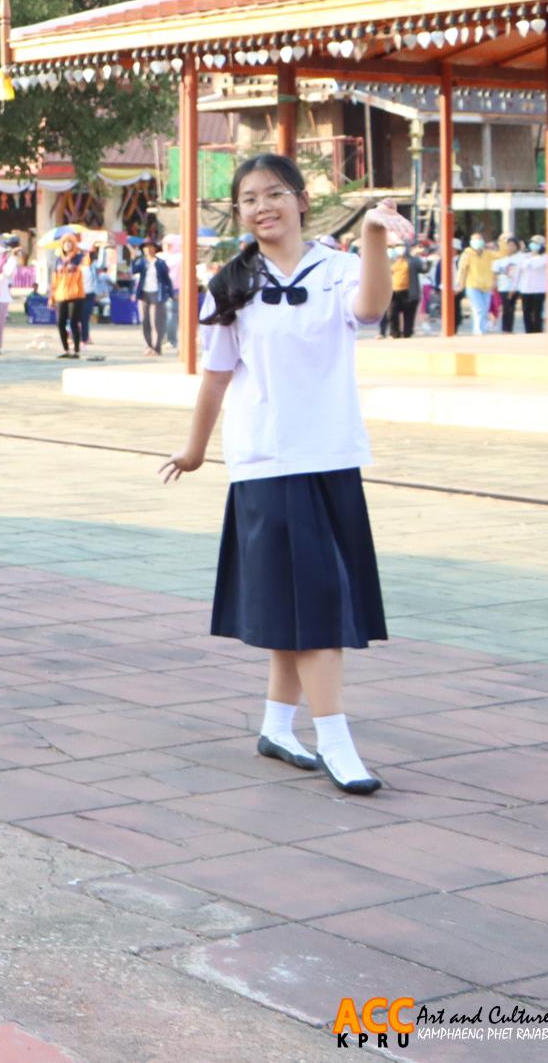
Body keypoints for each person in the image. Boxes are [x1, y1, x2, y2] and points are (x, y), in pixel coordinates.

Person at [161, 157, 398, 796]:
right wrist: (194, 450)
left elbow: (373, 309)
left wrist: (373, 236)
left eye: (273, 194)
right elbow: (214, 375)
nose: (262, 206)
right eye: (248, 199)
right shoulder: (231, 283)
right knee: (317, 604)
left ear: (299, 200)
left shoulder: (340, 267)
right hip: (267, 462)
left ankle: (276, 726)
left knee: (307, 601)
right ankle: (337, 743)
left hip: (331, 456)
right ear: (239, 214)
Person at [130, 239, 177, 356]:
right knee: (145, 321)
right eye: (146, 248)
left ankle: (157, 347)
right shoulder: (142, 262)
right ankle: (149, 346)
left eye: (151, 247)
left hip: (158, 293)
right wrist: (133, 258)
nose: (149, 250)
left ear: (155, 249)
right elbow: (133, 270)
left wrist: (171, 294)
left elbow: (167, 280)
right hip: (144, 294)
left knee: (157, 321)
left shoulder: (161, 263)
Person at [51, 232, 88, 359]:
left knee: (73, 322)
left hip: (76, 294)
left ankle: (76, 350)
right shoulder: (58, 261)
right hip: (61, 294)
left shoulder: (79, 258)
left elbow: (86, 264)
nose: (67, 245)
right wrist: (52, 296)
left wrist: (87, 252)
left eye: (70, 243)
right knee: (60, 322)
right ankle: (66, 349)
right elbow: (54, 279)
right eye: (65, 243)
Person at [457, 235, 496, 335]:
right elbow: (462, 270)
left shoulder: (488, 254)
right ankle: (479, 332)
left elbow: (496, 263)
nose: (477, 241)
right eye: (475, 239)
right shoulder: (467, 254)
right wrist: (460, 284)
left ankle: (481, 330)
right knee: (479, 309)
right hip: (472, 285)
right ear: (471, 241)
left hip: (486, 286)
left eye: (479, 239)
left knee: (485, 310)